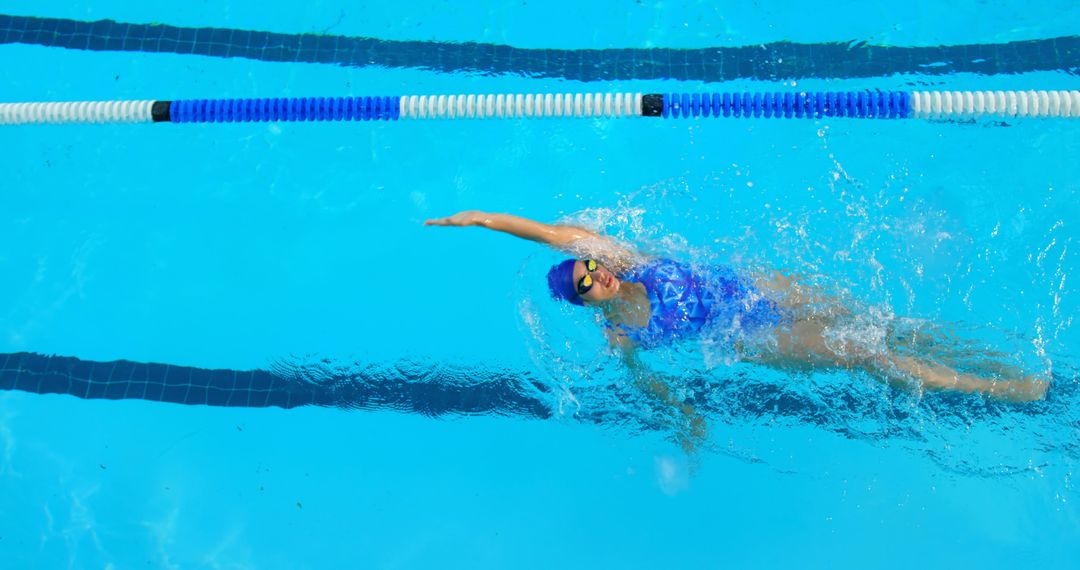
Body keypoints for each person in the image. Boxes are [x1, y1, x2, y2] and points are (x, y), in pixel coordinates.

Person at [425, 210, 1049, 448]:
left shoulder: (624, 260)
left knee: (884, 322)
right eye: (587, 282)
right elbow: (645, 384)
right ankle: (993, 388)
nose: (597, 275)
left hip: (756, 286)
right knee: (866, 354)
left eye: (592, 267)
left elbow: (555, 235)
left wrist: (481, 219)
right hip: (751, 337)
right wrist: (683, 418)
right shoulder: (621, 336)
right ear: (585, 304)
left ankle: (995, 356)